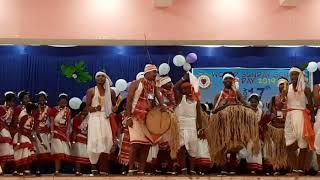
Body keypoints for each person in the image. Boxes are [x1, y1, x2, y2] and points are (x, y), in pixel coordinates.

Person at [126, 64, 165, 175]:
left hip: (147, 120)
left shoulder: (153, 86)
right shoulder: (136, 84)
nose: (156, 75)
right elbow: (128, 102)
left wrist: (163, 105)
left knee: (145, 145)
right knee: (135, 144)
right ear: (147, 73)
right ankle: (130, 169)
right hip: (135, 117)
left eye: (156, 72)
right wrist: (128, 117)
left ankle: (141, 170)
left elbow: (159, 97)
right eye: (154, 72)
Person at [211, 72, 247, 174]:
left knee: (234, 146)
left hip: (235, 124)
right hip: (223, 124)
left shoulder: (237, 94)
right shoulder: (219, 94)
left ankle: (232, 168)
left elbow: (244, 104)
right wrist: (224, 106)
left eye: (230, 79)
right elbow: (214, 110)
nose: (228, 81)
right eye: (226, 79)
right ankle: (223, 167)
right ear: (223, 81)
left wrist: (250, 109)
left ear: (233, 81)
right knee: (223, 145)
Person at [285, 67, 314, 175]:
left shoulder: (305, 89)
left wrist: (312, 119)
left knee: (302, 143)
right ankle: (295, 168)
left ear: (300, 75)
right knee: (288, 145)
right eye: (292, 74)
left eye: (296, 74)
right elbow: (284, 102)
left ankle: (300, 169)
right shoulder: (287, 88)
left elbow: (310, 105)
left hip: (301, 116)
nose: (294, 76)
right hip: (289, 116)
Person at [86, 71, 115, 175]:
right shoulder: (91, 91)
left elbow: (114, 106)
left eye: (103, 76)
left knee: (106, 141)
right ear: (95, 78)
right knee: (95, 141)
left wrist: (113, 109)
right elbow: (87, 108)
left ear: (106, 78)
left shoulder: (111, 92)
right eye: (98, 76)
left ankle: (103, 168)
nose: (101, 78)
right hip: (94, 118)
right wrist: (94, 108)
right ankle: (93, 166)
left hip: (105, 118)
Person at [174, 72, 202, 175]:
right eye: (183, 89)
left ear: (191, 89)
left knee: (193, 150)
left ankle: (192, 169)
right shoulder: (180, 98)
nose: (185, 90)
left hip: (192, 127)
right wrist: (183, 78)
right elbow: (175, 88)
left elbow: (199, 115)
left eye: (187, 88)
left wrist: (201, 128)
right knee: (181, 148)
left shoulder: (196, 100)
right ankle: (183, 169)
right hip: (181, 126)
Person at [263, 77, 289, 174]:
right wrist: (271, 114)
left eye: (285, 84)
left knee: (285, 149)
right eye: (281, 84)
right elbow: (269, 112)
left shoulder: (291, 98)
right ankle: (276, 168)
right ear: (278, 86)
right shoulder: (274, 98)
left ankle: (285, 168)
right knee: (277, 148)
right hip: (276, 128)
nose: (283, 86)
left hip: (287, 128)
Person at [155, 76, 179, 175]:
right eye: (168, 82)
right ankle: (158, 168)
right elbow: (157, 107)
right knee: (162, 147)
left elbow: (174, 104)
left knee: (170, 146)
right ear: (163, 84)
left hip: (171, 121)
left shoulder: (172, 94)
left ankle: (170, 167)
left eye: (171, 82)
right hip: (162, 121)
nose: (171, 84)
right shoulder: (158, 94)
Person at [13, 103, 38, 176]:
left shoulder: (32, 117)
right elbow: (20, 130)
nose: (37, 111)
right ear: (32, 110)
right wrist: (18, 143)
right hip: (20, 137)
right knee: (19, 154)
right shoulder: (24, 117)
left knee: (26, 154)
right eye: (36, 110)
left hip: (27, 137)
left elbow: (31, 130)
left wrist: (33, 138)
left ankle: (23, 170)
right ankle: (17, 170)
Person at [49, 93, 71, 175]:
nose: (63, 104)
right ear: (58, 102)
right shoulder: (54, 109)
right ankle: (56, 171)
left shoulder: (68, 110)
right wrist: (51, 132)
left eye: (65, 102)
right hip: (56, 132)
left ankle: (58, 170)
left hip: (64, 133)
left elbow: (68, 123)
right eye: (61, 102)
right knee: (57, 152)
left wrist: (68, 132)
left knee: (62, 153)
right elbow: (51, 121)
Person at [245, 93, 263, 174]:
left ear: (258, 102)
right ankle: (251, 168)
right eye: (252, 102)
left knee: (257, 150)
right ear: (249, 102)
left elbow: (262, 123)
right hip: (248, 133)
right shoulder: (247, 111)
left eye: (255, 102)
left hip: (257, 133)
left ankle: (257, 168)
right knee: (249, 149)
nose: (253, 104)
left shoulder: (260, 112)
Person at [70, 102, 90, 175]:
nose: (85, 111)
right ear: (81, 109)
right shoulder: (76, 118)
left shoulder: (91, 118)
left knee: (87, 155)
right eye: (84, 110)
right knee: (78, 155)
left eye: (87, 110)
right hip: (79, 138)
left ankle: (89, 171)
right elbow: (75, 130)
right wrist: (74, 141)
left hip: (89, 138)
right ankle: (77, 171)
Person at [34, 91, 51, 175]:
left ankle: (46, 169)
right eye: (40, 99)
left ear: (45, 99)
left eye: (43, 99)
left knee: (46, 152)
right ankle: (38, 169)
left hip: (46, 133)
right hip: (37, 132)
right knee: (38, 151)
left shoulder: (49, 109)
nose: (42, 101)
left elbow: (51, 121)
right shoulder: (35, 108)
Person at [0, 91, 15, 175]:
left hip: (7, 133)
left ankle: (1, 171)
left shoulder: (11, 110)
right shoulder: (0, 108)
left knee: (5, 152)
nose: (13, 103)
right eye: (12, 101)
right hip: (1, 131)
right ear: (7, 100)